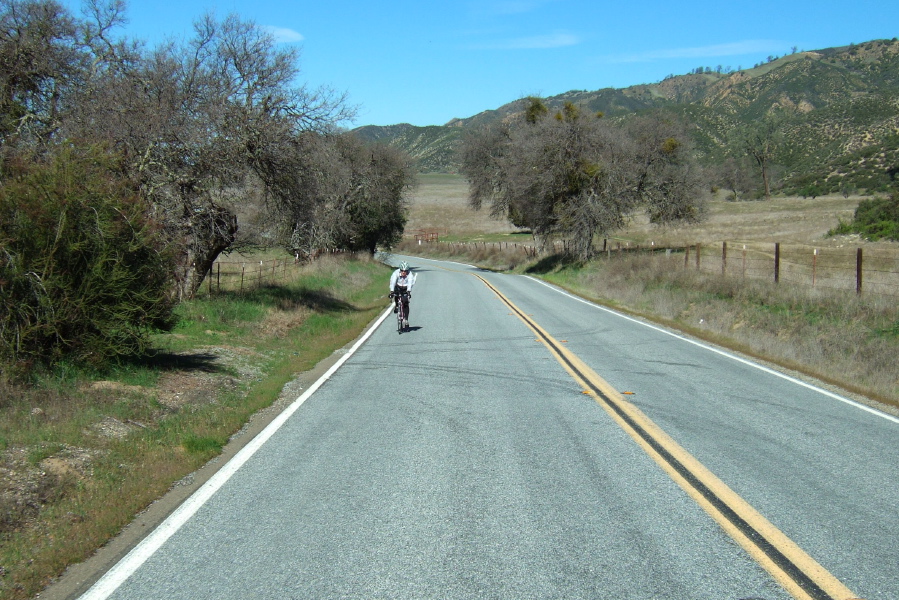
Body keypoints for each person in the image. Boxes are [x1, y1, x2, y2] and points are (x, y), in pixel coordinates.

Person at [388, 261, 415, 327]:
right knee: (396, 295)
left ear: (407, 271)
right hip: (398, 286)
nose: (403, 272)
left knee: (405, 302)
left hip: (405, 287)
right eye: (402, 270)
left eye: (405, 271)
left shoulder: (410, 274)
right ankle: (397, 305)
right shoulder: (396, 273)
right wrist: (392, 291)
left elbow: (410, 283)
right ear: (400, 270)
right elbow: (393, 282)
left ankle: (406, 319)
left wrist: (408, 291)